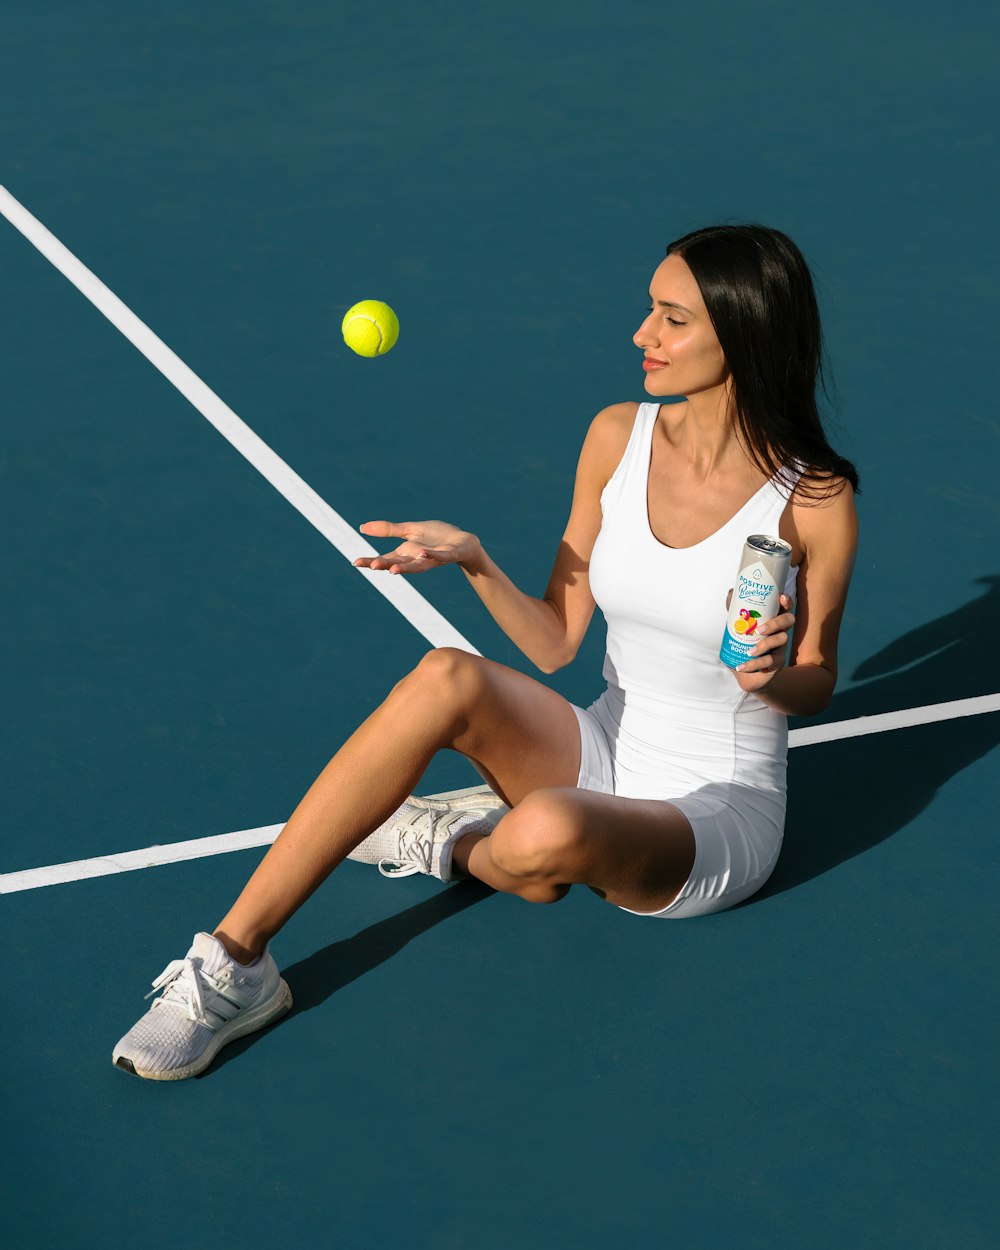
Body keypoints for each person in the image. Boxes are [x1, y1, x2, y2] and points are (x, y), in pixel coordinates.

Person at [113, 223, 860, 1081]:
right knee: (444, 674)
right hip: (605, 746)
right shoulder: (619, 436)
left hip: (716, 813)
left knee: (544, 833)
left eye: (671, 318)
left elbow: (818, 681)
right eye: (648, 310)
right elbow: (556, 641)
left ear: (745, 331)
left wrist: (772, 680)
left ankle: (456, 845)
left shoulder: (814, 498)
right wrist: (474, 560)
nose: (640, 335)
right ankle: (233, 966)